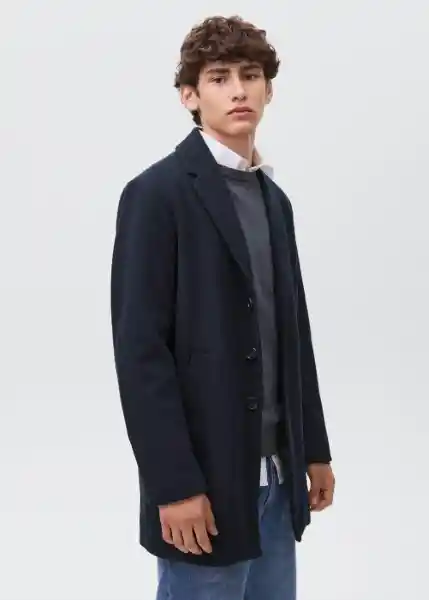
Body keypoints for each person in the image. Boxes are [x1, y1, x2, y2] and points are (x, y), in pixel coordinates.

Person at [110, 14, 335, 600]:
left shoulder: (274, 200)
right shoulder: (156, 195)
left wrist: (313, 449)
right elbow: (141, 354)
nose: (238, 90)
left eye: (250, 75)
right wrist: (173, 485)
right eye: (219, 77)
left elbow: (292, 333)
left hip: (278, 480)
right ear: (190, 95)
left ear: (268, 89)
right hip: (204, 487)